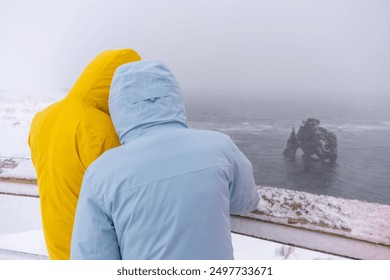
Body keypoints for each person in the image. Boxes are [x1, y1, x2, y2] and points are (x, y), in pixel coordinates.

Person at [70, 60, 260, 260]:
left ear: (118, 106)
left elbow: (91, 257)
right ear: (174, 97)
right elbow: (246, 200)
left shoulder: (100, 173)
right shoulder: (220, 146)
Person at [28, 49, 141, 259]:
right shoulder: (101, 129)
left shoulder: (43, 118)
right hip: (96, 249)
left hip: (58, 244)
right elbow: (127, 196)